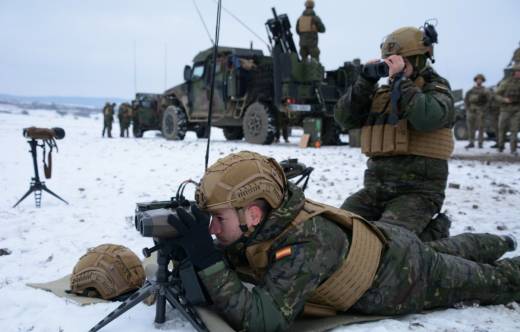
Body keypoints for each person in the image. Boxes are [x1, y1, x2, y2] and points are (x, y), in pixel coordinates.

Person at [166, 151, 519, 332]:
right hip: (389, 243)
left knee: (492, 281)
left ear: (253, 215)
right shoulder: (269, 218)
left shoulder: (305, 243)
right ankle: (500, 239)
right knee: (450, 250)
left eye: (219, 220)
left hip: (406, 279)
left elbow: (263, 321)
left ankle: (506, 255)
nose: (212, 229)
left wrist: (208, 260)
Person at [333, 24, 455, 241]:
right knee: (337, 228)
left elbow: (428, 118)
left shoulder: (436, 89)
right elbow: (344, 119)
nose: (392, 67)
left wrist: (402, 82)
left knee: (384, 243)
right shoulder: (383, 93)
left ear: (419, 59)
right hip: (375, 191)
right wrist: (365, 83)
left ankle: (431, 237)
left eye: (401, 61)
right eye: (388, 61)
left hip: (417, 193)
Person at [496, 63, 520, 154]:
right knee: (502, 128)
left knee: (514, 129)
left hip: (517, 110)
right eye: (517, 72)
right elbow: (497, 94)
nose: (518, 73)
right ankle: (500, 146)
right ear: (513, 73)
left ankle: (513, 149)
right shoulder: (506, 83)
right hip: (505, 109)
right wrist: (504, 99)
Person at [464, 74, 491, 149]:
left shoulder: (485, 91)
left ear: (482, 81)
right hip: (471, 110)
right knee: (470, 127)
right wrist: (467, 108)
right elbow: (466, 100)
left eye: (480, 79)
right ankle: (471, 142)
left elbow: (489, 100)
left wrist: (484, 108)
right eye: (478, 79)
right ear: (476, 80)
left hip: (480, 110)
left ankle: (480, 143)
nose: (479, 80)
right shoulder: (471, 90)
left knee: (481, 127)